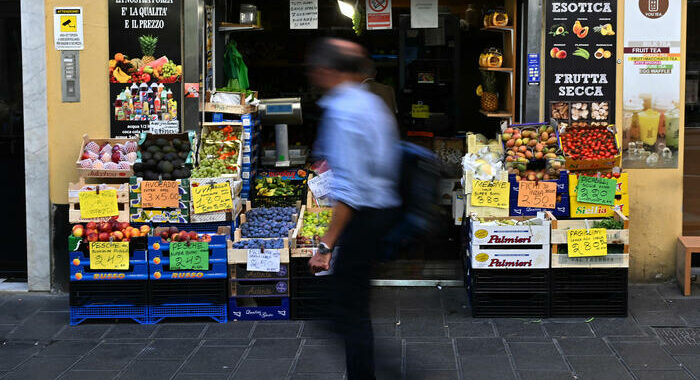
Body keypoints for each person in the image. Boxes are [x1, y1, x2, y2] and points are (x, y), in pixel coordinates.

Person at [306, 37, 401, 380]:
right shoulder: (371, 103)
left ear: (329, 70)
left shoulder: (342, 110)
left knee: (345, 312)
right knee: (352, 308)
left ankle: (387, 374)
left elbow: (348, 189)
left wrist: (325, 246)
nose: (315, 77)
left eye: (317, 70)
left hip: (362, 218)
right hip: (381, 212)